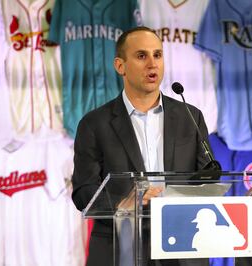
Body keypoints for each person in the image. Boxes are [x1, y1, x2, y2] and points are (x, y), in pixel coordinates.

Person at [71, 26, 211, 265]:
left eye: (157, 55)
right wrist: (124, 203)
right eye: (141, 56)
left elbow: (206, 181)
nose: (152, 64)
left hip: (182, 244)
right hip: (120, 244)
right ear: (120, 66)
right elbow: (83, 192)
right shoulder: (94, 123)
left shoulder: (191, 116)